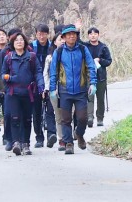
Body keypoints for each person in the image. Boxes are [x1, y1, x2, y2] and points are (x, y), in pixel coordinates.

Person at [49, 24, 97, 154]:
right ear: (63, 37)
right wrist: (52, 89)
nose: (72, 36)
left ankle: (79, 134)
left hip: (81, 90)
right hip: (64, 91)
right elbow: (53, 71)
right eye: (69, 34)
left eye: (74, 34)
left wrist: (93, 83)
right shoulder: (58, 52)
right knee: (65, 119)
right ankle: (68, 143)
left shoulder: (82, 49)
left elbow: (91, 66)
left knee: (82, 118)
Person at [2, 31, 44, 156]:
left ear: (25, 42)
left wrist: (41, 85)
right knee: (14, 118)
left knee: (27, 119)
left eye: (21, 40)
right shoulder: (8, 57)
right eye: (16, 40)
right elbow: (2, 74)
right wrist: (10, 78)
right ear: (12, 43)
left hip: (28, 92)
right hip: (13, 93)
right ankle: (16, 143)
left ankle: (26, 143)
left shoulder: (31, 57)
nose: (19, 42)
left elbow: (38, 72)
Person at [29, 23, 58, 148]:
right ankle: (39, 137)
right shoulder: (31, 47)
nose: (42, 36)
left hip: (50, 82)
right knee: (37, 111)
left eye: (44, 34)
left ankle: (51, 134)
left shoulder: (53, 46)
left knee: (51, 109)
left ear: (48, 34)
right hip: (35, 83)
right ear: (36, 34)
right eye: (39, 34)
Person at [85, 26, 113, 127]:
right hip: (87, 76)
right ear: (88, 36)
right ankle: (90, 117)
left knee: (100, 98)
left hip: (101, 76)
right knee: (89, 97)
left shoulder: (103, 47)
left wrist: (100, 60)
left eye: (95, 34)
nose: (93, 36)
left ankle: (100, 118)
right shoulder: (85, 46)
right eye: (91, 34)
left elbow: (109, 61)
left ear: (98, 35)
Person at [43, 32, 66, 150]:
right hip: (53, 90)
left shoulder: (71, 54)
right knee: (56, 114)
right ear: (54, 42)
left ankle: (68, 136)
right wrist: (47, 88)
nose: (62, 41)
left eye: (63, 39)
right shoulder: (49, 58)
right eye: (59, 39)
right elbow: (46, 74)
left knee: (68, 114)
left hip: (68, 89)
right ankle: (61, 138)